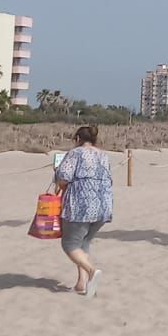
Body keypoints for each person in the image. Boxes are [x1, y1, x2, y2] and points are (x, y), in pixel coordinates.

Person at [55, 125, 114, 297]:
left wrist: (58, 177)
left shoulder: (76, 153)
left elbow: (64, 176)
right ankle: (81, 283)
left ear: (77, 139)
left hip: (81, 205)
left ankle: (91, 270)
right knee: (84, 243)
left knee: (70, 244)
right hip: (103, 205)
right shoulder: (103, 155)